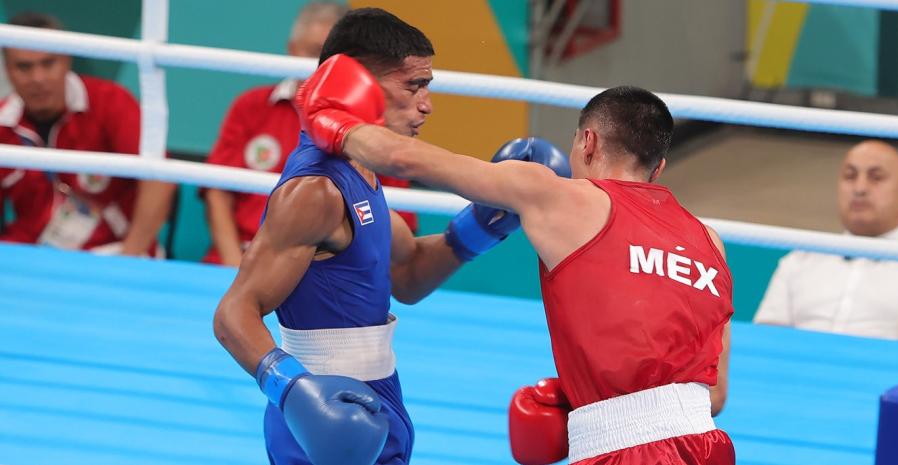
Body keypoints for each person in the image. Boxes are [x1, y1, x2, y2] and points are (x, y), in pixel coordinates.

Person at [296, 53, 735, 464]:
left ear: (587, 142)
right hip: (710, 447)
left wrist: (332, 121)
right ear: (658, 169)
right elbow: (712, 396)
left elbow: (404, 158)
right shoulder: (709, 241)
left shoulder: (562, 196)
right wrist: (589, 396)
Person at [212, 8, 569, 465]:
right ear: (355, 83)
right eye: (413, 85)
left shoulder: (362, 171)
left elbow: (408, 272)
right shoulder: (317, 191)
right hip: (322, 412)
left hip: (378, 394)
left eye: (427, 85)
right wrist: (294, 390)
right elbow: (232, 313)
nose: (427, 103)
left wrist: (484, 223)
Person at [203, 2, 418, 267]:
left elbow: (396, 221)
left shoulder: (375, 124)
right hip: (241, 257)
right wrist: (235, 266)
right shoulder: (251, 106)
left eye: (336, 58)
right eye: (316, 52)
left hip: (329, 270)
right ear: (292, 50)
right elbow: (217, 192)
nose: (323, 66)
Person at [0, 12, 175, 256]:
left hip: (113, 249)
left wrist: (129, 258)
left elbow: (160, 181)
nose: (37, 78)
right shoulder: (2, 123)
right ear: (7, 69)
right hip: (29, 251)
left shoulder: (110, 101)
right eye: (24, 67)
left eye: (48, 63)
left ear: (66, 60)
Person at [755, 140, 898, 343]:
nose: (860, 188)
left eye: (876, 178)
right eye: (850, 176)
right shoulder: (799, 260)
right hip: (797, 371)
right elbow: (767, 342)